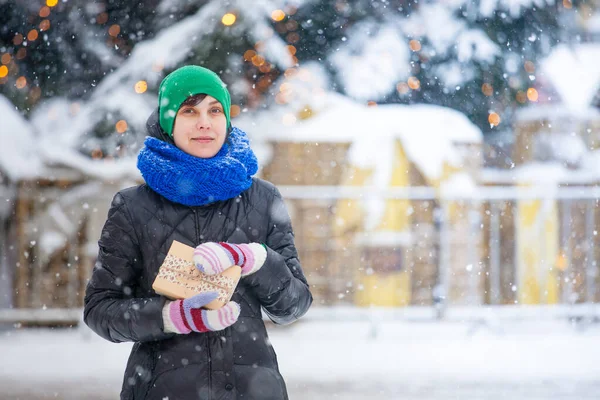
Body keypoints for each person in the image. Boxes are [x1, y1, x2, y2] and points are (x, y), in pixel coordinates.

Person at [83, 65, 313, 400]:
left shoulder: (263, 200)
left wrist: (256, 259)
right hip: (163, 389)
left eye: (215, 110)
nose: (204, 122)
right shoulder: (133, 208)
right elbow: (100, 310)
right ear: (168, 121)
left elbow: (293, 305)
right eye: (189, 110)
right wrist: (168, 317)